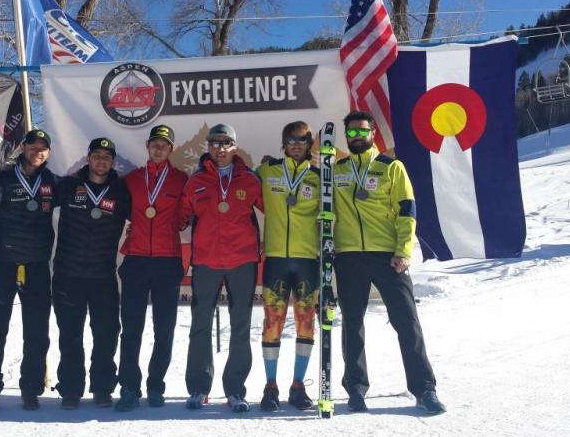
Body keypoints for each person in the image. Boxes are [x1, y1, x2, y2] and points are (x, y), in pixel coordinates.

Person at [333, 110, 446, 415]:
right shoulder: (336, 171)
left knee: (407, 323)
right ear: (347, 136)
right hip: (348, 256)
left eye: (363, 131)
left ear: (373, 134)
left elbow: (407, 211)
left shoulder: (391, 167)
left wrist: (404, 251)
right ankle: (355, 389)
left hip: (388, 256)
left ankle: (424, 389)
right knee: (352, 324)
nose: (358, 136)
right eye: (352, 133)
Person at [0, 129, 58, 414]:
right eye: (33, 146)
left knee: (37, 333)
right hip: (0, 267)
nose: (38, 151)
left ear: (49, 152)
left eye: (43, 148)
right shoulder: (1, 180)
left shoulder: (52, 183)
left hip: (36, 268)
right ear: (23, 148)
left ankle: (31, 390)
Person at [180, 123, 263, 413]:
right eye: (215, 143)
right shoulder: (195, 181)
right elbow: (180, 217)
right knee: (200, 325)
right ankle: (199, 389)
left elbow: (278, 211)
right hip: (206, 261)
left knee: (241, 326)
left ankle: (236, 391)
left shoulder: (250, 180)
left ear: (234, 146)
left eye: (226, 142)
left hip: (242, 261)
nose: (220, 148)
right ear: (208, 147)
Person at [114, 124, 188, 412]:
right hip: (135, 260)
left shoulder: (181, 179)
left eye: (165, 145)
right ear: (147, 146)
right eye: (155, 144)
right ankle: (129, 387)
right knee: (131, 329)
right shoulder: (131, 179)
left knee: (164, 330)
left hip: (168, 261)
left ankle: (156, 385)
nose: (159, 148)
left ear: (172, 149)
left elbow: (186, 213)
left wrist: (180, 223)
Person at [52, 137, 130, 410]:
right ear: (88, 158)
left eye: (106, 157)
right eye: (96, 155)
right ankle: (71, 390)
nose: (101, 161)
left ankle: (102, 388)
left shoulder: (121, 191)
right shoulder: (68, 185)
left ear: (112, 162)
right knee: (70, 335)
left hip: (103, 276)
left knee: (106, 334)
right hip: (67, 275)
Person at [255, 121, 321, 411]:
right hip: (276, 260)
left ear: (309, 144)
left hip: (307, 260)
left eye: (302, 139)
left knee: (306, 324)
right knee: (272, 325)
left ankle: (298, 385)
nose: (296, 144)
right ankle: (270, 386)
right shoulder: (266, 171)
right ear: (283, 143)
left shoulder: (320, 177)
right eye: (290, 139)